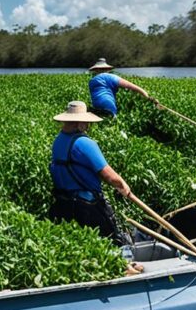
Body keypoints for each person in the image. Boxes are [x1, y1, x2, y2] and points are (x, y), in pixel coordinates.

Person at [49, 101, 134, 246]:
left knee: (81, 245)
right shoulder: (84, 143)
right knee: (114, 242)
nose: (88, 127)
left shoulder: (58, 141)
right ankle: (127, 267)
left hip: (64, 203)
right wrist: (123, 186)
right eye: (86, 123)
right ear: (79, 123)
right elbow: (109, 175)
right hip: (86, 206)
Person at [87, 58, 157, 118]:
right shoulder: (112, 77)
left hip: (96, 108)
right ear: (107, 69)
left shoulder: (91, 81)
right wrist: (146, 96)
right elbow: (132, 87)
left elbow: (98, 95)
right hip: (108, 106)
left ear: (95, 70)